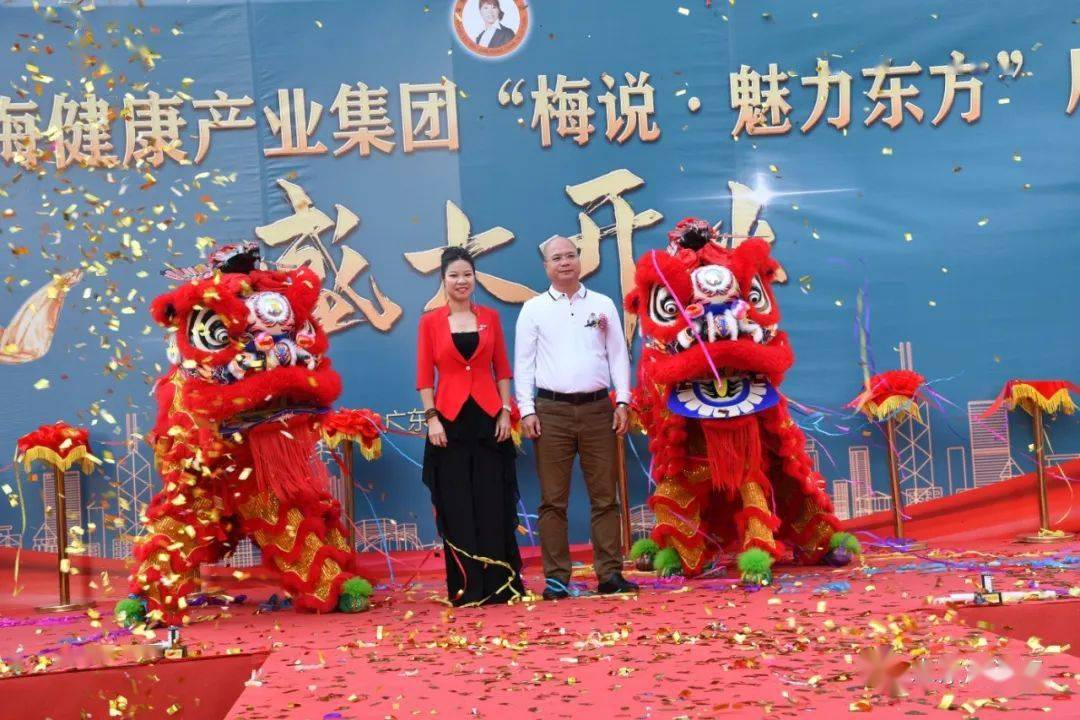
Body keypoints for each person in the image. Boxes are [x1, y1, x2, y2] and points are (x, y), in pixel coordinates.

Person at [514, 235, 638, 600]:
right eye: (557, 258)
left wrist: (624, 401)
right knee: (553, 501)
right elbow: (524, 364)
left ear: (580, 261)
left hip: (600, 409)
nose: (564, 262)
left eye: (570, 255)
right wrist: (527, 409)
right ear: (546, 266)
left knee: (605, 497)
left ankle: (610, 575)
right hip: (550, 412)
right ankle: (555, 579)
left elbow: (618, 355)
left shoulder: (601, 305)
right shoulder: (533, 309)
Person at [417, 246, 525, 606]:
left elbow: (503, 369)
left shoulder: (491, 317)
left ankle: (500, 585)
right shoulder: (429, 321)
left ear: (475, 278)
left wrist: (506, 411)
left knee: (493, 501)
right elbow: (424, 379)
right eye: (454, 276)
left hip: (490, 420)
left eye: (467, 275)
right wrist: (432, 419)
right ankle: (467, 588)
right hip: (448, 423)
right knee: (457, 504)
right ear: (443, 280)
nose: (461, 281)